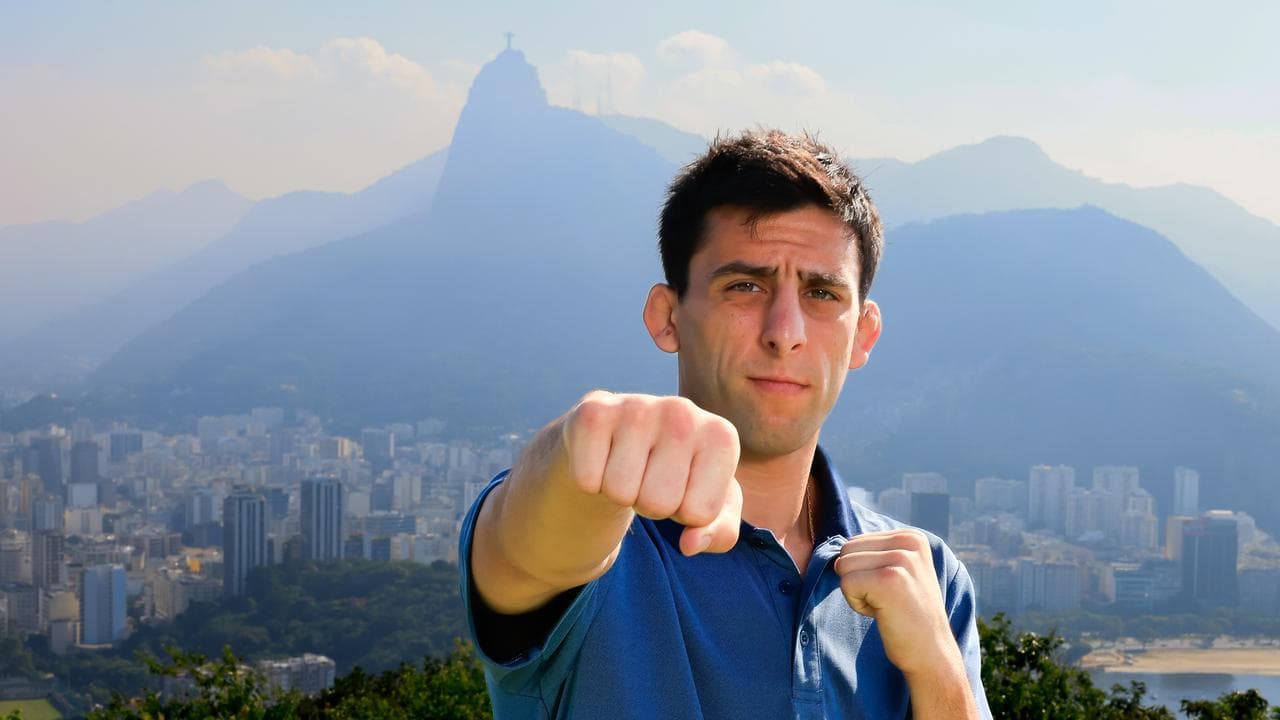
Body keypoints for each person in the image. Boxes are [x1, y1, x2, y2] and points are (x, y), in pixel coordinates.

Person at [459, 129, 992, 719]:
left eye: (821, 293)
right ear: (668, 318)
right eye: (745, 285)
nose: (784, 330)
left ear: (862, 335)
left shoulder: (930, 574)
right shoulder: (604, 539)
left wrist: (938, 667)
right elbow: (524, 549)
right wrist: (576, 450)